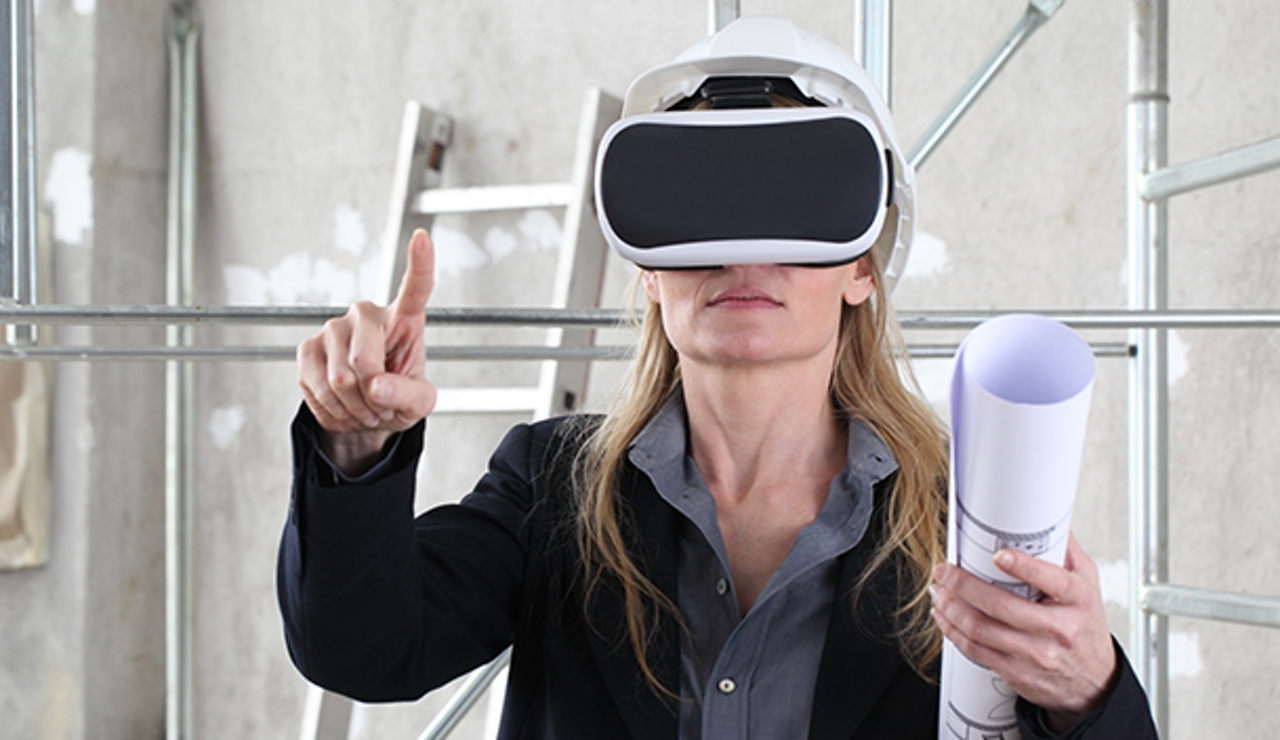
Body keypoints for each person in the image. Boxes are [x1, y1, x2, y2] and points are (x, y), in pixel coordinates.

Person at [278, 16, 1158, 740]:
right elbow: (363, 650)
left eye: (797, 201)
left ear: (862, 267)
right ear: (650, 270)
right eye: (700, 202)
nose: (743, 253)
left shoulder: (963, 517)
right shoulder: (550, 487)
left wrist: (1087, 691)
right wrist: (354, 450)